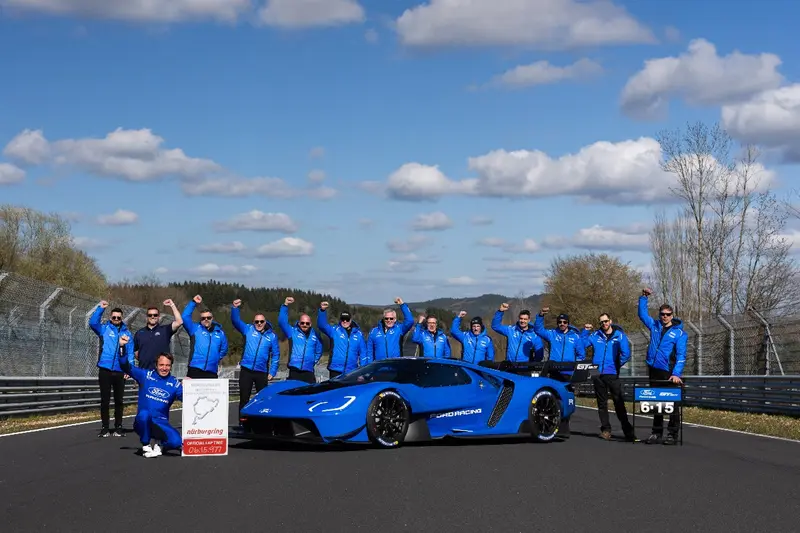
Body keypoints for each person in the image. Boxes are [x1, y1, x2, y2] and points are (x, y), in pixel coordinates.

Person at [118, 335, 183, 458]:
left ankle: (160, 443)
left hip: (161, 423)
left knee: (176, 442)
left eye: (167, 365)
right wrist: (122, 347)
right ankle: (146, 445)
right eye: (161, 365)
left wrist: (191, 387)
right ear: (156, 365)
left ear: (171, 366)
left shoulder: (175, 384)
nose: (164, 368)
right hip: (143, 422)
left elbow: (188, 399)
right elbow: (125, 366)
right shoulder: (145, 375)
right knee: (144, 414)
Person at [638, 288, 688, 446]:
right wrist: (644, 298)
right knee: (656, 402)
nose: (665, 316)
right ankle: (656, 433)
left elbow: (681, 355)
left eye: (668, 314)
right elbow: (642, 314)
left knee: (672, 404)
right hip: (654, 369)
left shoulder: (680, 333)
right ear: (659, 315)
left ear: (672, 315)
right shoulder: (654, 325)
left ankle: (672, 434)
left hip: (669, 371)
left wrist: (676, 373)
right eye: (662, 314)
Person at [581, 313, 635, 441]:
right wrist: (585, 331)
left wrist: (617, 364)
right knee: (601, 403)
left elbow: (626, 353)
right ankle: (606, 430)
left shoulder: (619, 335)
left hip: (612, 372)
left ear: (610, 321)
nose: (604, 324)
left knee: (618, 402)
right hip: (596, 372)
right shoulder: (595, 335)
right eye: (601, 322)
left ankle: (628, 431)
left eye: (606, 321)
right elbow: (582, 344)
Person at [88, 301, 134, 438]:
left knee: (119, 400)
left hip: (120, 370)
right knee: (105, 400)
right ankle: (105, 427)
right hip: (105, 369)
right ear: (110, 317)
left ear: (122, 318)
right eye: (114, 317)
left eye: (118, 317)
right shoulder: (104, 329)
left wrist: (129, 370)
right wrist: (100, 309)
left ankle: (118, 427)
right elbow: (92, 323)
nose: (116, 319)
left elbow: (130, 353)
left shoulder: (127, 333)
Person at [231, 299, 280, 416]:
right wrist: (235, 308)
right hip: (246, 370)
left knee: (262, 399)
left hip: (261, 372)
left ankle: (261, 422)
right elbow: (235, 321)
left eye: (261, 321)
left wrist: (272, 371)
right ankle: (242, 422)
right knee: (244, 398)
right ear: (253, 322)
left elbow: (276, 354)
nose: (259, 323)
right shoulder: (248, 329)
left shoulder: (272, 336)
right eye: (256, 321)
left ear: (265, 322)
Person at [181, 295, 228, 379]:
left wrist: (215, 359)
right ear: (200, 319)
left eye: (208, 318)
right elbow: (185, 317)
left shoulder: (220, 333)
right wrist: (193, 302)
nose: (206, 319)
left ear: (212, 318)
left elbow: (223, 350)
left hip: (212, 370)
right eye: (203, 318)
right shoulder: (195, 329)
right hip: (195, 368)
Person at [279, 296, 323, 384]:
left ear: (310, 324)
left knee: (309, 392)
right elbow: (282, 322)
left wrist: (312, 361)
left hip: (308, 371)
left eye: (307, 323)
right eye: (302, 323)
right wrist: (285, 305)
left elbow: (319, 350)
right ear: (299, 323)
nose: (304, 325)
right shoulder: (292, 332)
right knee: (294, 391)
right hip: (294, 370)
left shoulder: (315, 335)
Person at [316, 301, 366, 378]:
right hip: (335, 370)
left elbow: (363, 353)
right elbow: (322, 326)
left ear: (351, 320)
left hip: (352, 371)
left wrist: (363, 372)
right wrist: (322, 311)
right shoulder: (334, 331)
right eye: (343, 319)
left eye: (347, 319)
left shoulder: (358, 334)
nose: (345, 321)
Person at [133, 299, 183, 371]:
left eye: (155, 315)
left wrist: (172, 305)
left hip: (161, 371)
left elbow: (179, 322)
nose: (152, 317)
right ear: (146, 317)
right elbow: (135, 351)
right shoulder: (139, 333)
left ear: (159, 316)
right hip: (144, 371)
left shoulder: (165, 330)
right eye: (150, 315)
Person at [363, 298, 415, 363]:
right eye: (386, 318)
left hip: (395, 366)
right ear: (383, 319)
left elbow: (410, 321)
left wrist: (402, 304)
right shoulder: (374, 332)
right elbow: (369, 352)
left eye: (391, 318)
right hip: (379, 367)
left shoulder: (399, 329)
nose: (389, 320)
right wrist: (369, 367)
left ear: (395, 319)